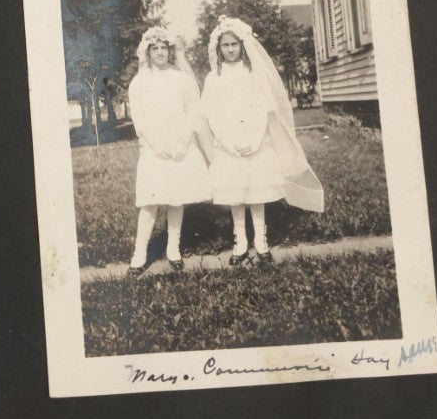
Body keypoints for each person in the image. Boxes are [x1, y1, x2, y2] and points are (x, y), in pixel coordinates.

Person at [200, 16, 324, 266]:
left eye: (235, 44)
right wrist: (228, 142)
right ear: (218, 48)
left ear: (242, 45)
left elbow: (263, 110)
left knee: (257, 192)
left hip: (253, 140)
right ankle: (240, 242)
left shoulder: (254, 74)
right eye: (225, 45)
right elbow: (211, 115)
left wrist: (254, 141)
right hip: (229, 144)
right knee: (235, 194)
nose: (231, 49)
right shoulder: (214, 78)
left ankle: (261, 242)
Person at [126, 27, 210, 275]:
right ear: (148, 52)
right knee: (150, 201)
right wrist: (156, 144)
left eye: (164, 48)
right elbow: (139, 117)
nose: (160, 53)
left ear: (170, 51)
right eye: (155, 49)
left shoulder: (180, 78)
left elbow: (192, 111)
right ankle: (139, 254)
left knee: (176, 198)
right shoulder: (140, 81)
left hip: (179, 144)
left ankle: (173, 248)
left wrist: (183, 141)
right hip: (154, 147)